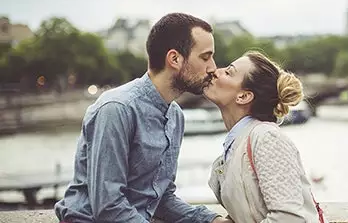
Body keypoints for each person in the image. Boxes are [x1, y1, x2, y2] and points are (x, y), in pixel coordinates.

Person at [55, 13, 231, 223]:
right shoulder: (116, 109)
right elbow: (108, 207)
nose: (212, 67)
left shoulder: (175, 115)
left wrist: (211, 220)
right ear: (174, 59)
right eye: (205, 57)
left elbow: (161, 199)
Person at [204, 50, 324, 223]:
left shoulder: (267, 138)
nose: (216, 71)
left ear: (244, 96)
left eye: (228, 72)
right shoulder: (238, 143)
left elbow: (288, 218)